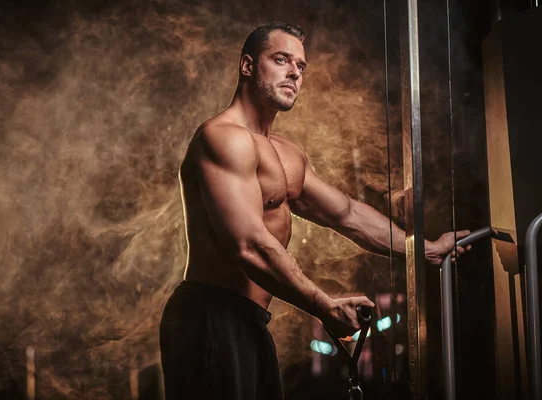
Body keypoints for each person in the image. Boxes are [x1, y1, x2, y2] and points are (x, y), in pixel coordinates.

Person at [159, 21, 470, 400]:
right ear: (247, 66)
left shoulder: (287, 153)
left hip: (250, 320)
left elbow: (347, 216)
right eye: (280, 59)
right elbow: (248, 244)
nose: (294, 72)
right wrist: (324, 306)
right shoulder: (222, 139)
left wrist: (425, 249)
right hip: (209, 317)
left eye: (301, 66)